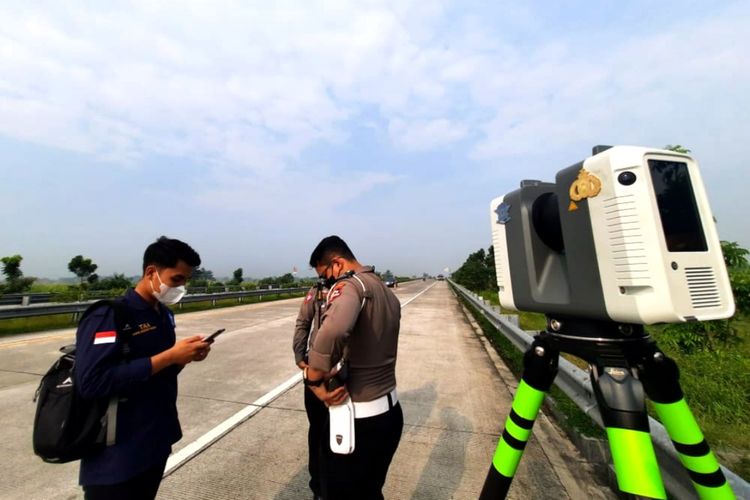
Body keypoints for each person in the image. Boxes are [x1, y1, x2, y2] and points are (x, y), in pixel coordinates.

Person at [74, 236, 212, 500]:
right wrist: (170, 356)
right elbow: (92, 382)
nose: (181, 287)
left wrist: (184, 358)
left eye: (185, 281)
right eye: (176, 279)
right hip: (117, 455)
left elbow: (159, 372)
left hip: (155, 441)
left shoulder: (161, 314)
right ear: (151, 272)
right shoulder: (110, 315)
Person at [303, 235, 403, 500]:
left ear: (337, 264)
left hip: (357, 419)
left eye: (325, 275)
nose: (327, 282)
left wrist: (313, 379)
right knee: (370, 492)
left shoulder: (350, 286)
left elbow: (332, 331)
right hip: (389, 412)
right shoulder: (383, 289)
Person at [293, 279, 329, 500]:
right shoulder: (316, 291)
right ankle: (318, 487)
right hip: (316, 369)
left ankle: (326, 487)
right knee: (317, 430)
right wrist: (300, 357)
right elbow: (303, 323)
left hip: (342, 373)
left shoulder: (351, 290)